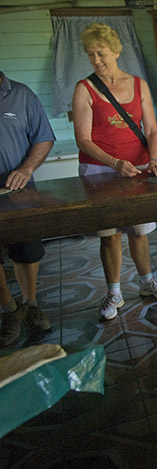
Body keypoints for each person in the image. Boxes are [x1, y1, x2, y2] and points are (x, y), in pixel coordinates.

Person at [71, 23, 157, 322]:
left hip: (139, 168)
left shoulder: (138, 84)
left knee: (140, 232)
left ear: (116, 51)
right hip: (99, 171)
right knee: (109, 235)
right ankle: (114, 292)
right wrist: (114, 162)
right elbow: (83, 139)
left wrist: (153, 158)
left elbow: (152, 129)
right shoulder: (85, 88)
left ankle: (146, 283)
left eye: (101, 53)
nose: (96, 60)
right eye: (90, 55)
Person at [0, 71, 55, 346]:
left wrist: (27, 168)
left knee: (27, 250)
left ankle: (30, 304)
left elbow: (43, 137)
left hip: (19, 190)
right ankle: (9, 310)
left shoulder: (22, 95)